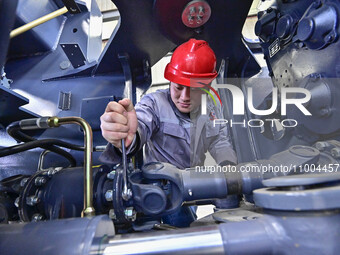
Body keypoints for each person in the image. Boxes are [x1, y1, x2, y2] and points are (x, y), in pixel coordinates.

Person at [100, 38, 237, 227]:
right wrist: (126, 137)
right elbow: (140, 127)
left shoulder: (212, 107)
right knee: (182, 227)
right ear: (170, 81)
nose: (184, 98)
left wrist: (228, 169)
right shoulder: (154, 104)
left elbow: (219, 141)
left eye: (194, 90)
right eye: (178, 88)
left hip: (194, 181)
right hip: (165, 187)